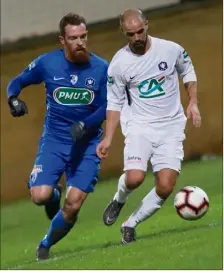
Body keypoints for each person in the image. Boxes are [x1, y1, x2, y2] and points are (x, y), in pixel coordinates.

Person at [7, 13, 108, 259]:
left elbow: (107, 106)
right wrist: (13, 99)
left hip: (87, 145)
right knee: (40, 196)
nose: (80, 42)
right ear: (62, 40)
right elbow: (17, 81)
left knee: (73, 206)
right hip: (55, 141)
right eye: (74, 38)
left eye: (83, 36)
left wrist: (86, 124)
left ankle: (45, 245)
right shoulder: (47, 63)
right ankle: (53, 192)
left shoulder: (102, 68)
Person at [97, 8, 201, 244]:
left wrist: (193, 102)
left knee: (165, 187)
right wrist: (108, 138)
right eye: (131, 34)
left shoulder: (170, 49)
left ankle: (130, 224)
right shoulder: (119, 64)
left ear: (147, 25)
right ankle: (119, 199)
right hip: (139, 126)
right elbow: (114, 102)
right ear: (123, 32)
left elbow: (188, 70)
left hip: (172, 126)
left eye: (140, 31)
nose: (137, 38)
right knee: (134, 178)